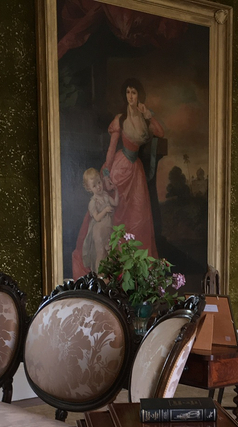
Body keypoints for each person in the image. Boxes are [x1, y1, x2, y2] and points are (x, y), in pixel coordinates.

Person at [71, 78, 165, 278]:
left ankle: (136, 266)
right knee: (116, 212)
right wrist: (106, 171)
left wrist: (148, 115)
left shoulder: (144, 118)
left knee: (138, 215)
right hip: (120, 167)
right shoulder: (120, 119)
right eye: (128, 92)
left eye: (134, 92)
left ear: (139, 95)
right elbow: (112, 148)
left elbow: (160, 132)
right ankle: (112, 265)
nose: (131, 96)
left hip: (136, 171)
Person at [80, 167, 119, 272]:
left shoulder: (105, 195)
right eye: (94, 185)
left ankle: (108, 277)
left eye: (99, 183)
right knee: (100, 254)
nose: (98, 187)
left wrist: (116, 190)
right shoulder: (93, 202)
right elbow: (96, 217)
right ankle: (98, 277)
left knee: (110, 253)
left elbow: (115, 203)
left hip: (108, 229)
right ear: (89, 189)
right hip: (99, 231)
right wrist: (105, 210)